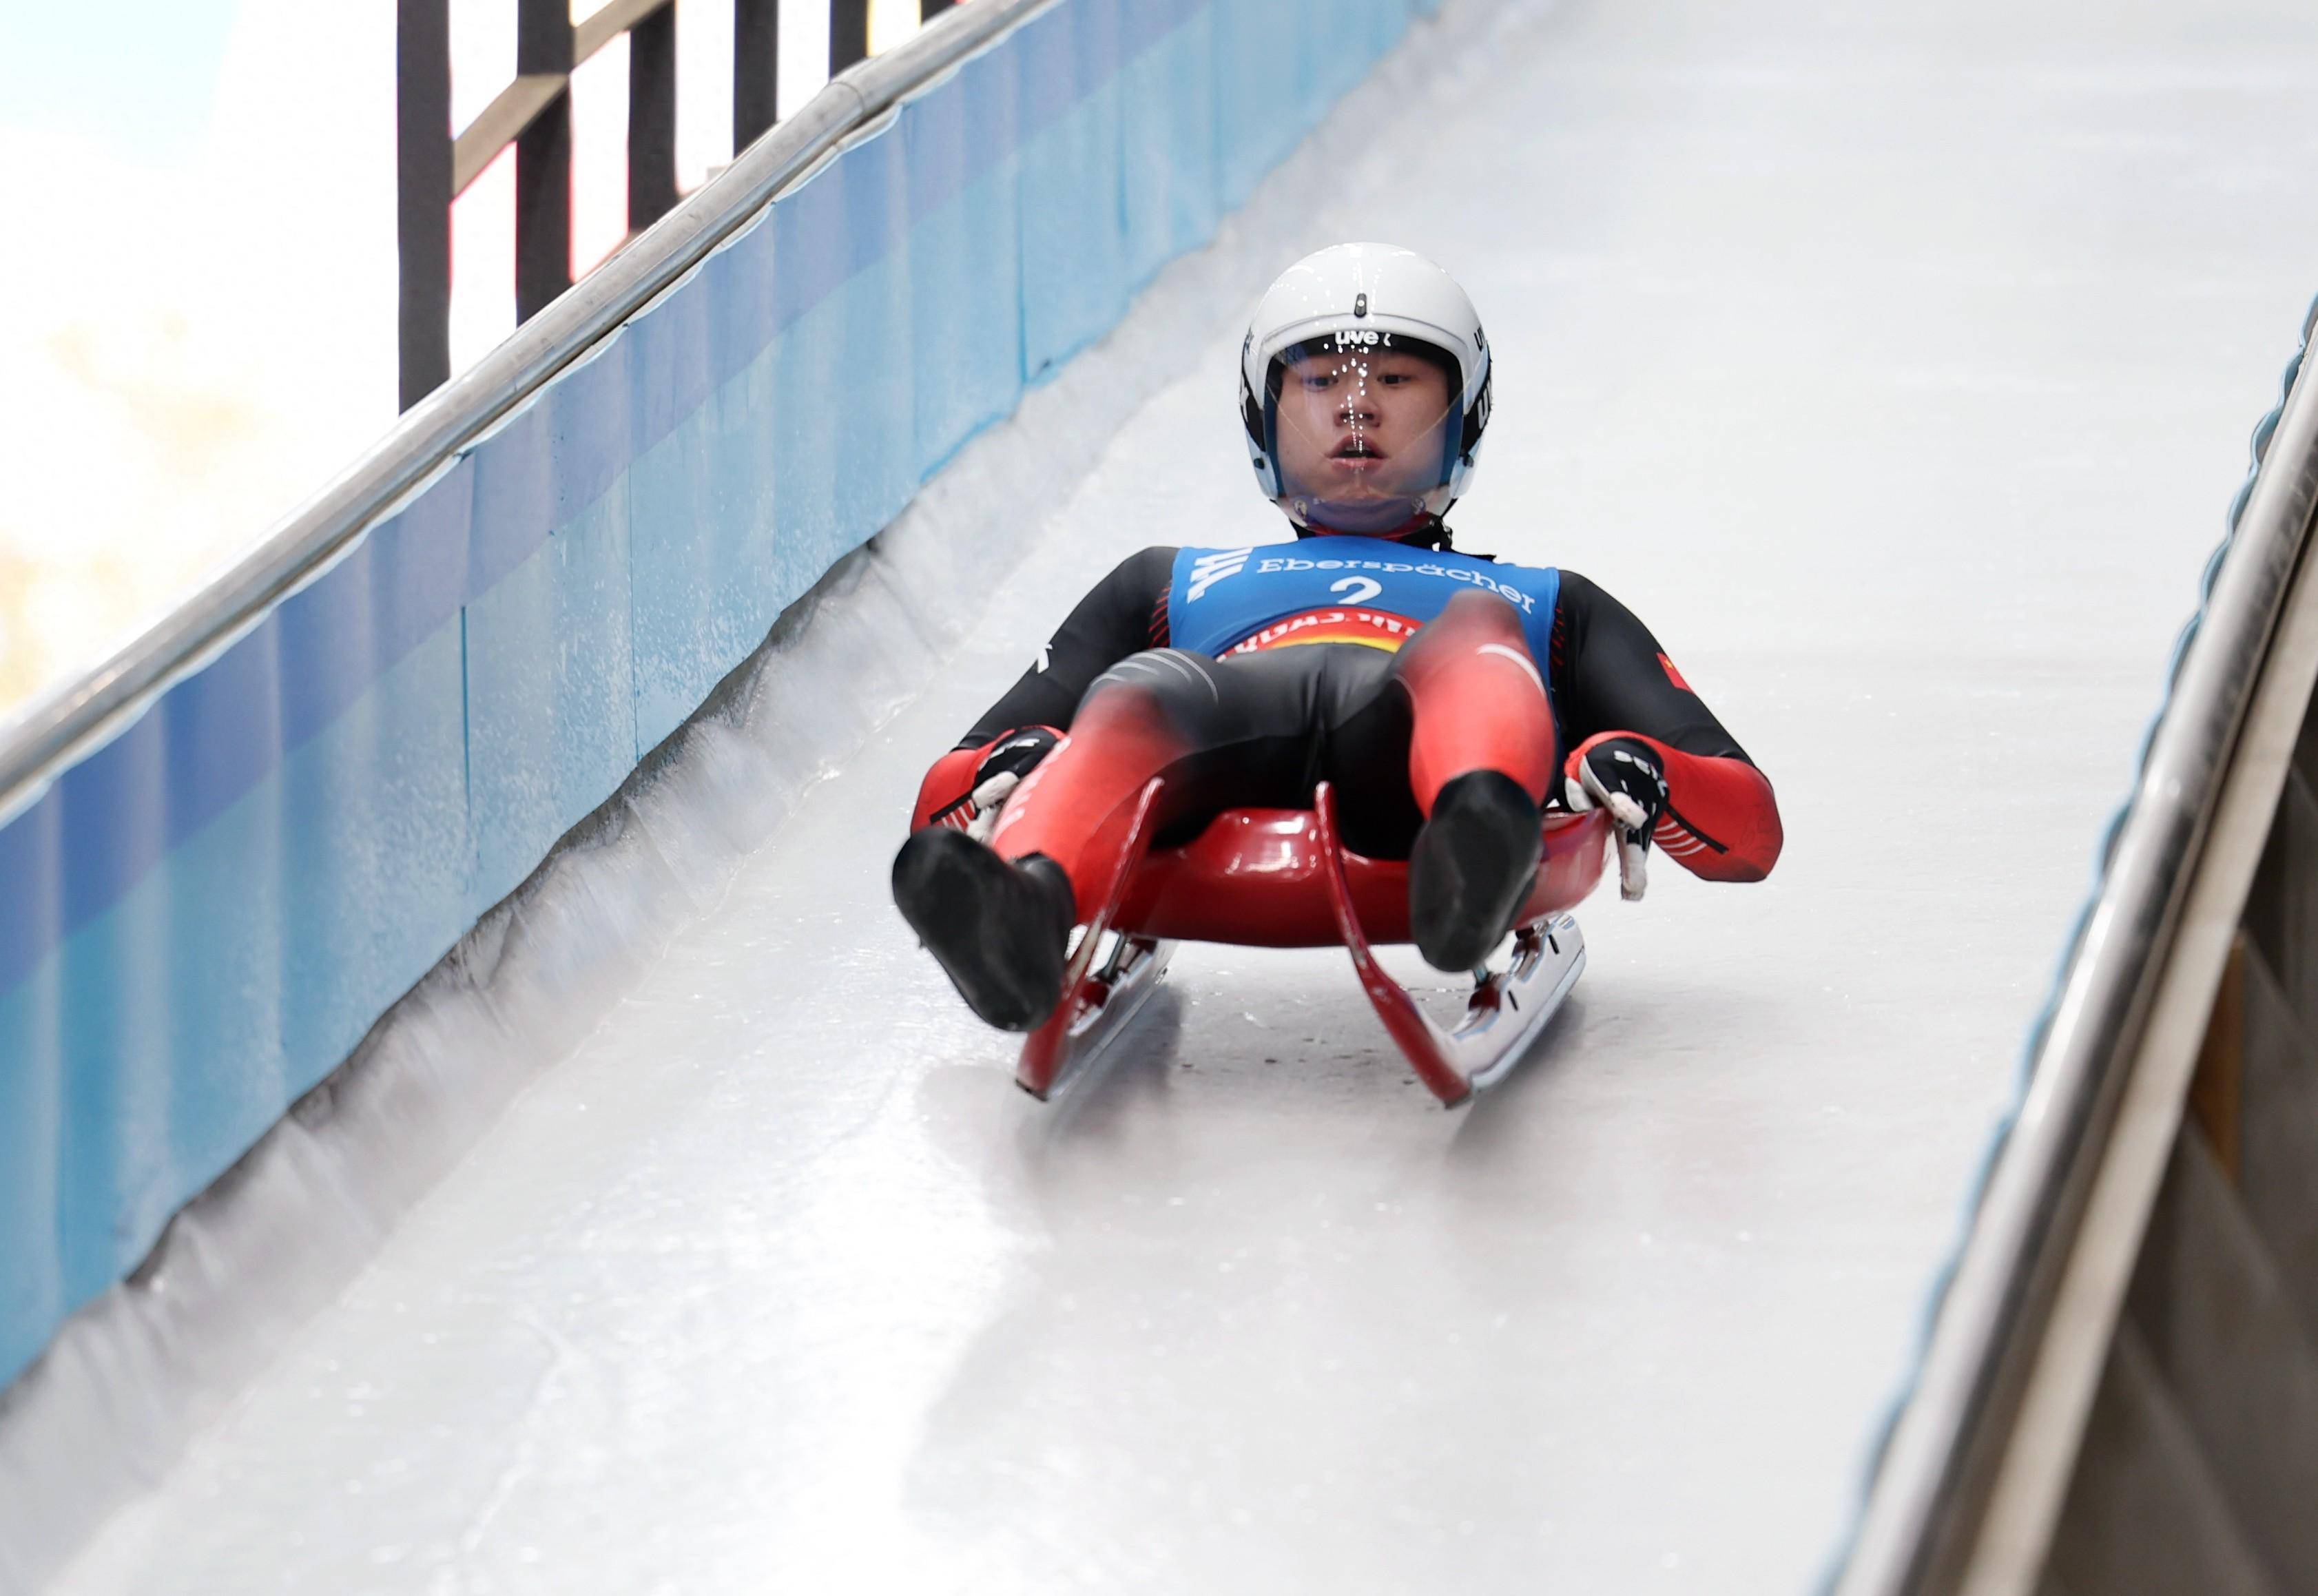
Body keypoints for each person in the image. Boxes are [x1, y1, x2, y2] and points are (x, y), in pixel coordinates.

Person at [892, 243, 1783, 1031]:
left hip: (1410, 751)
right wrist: (1010, 762)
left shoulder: (1547, 601)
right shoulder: (1167, 579)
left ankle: (1476, 843)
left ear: (1461, 414)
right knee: (1142, 689)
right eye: (1321, 383)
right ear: (1266, 415)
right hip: (1214, 738)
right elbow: (942, 791)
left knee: (1476, 635)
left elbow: (1750, 825)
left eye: (1394, 382)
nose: (1357, 408)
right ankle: (1024, 912)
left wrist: (1643, 768)